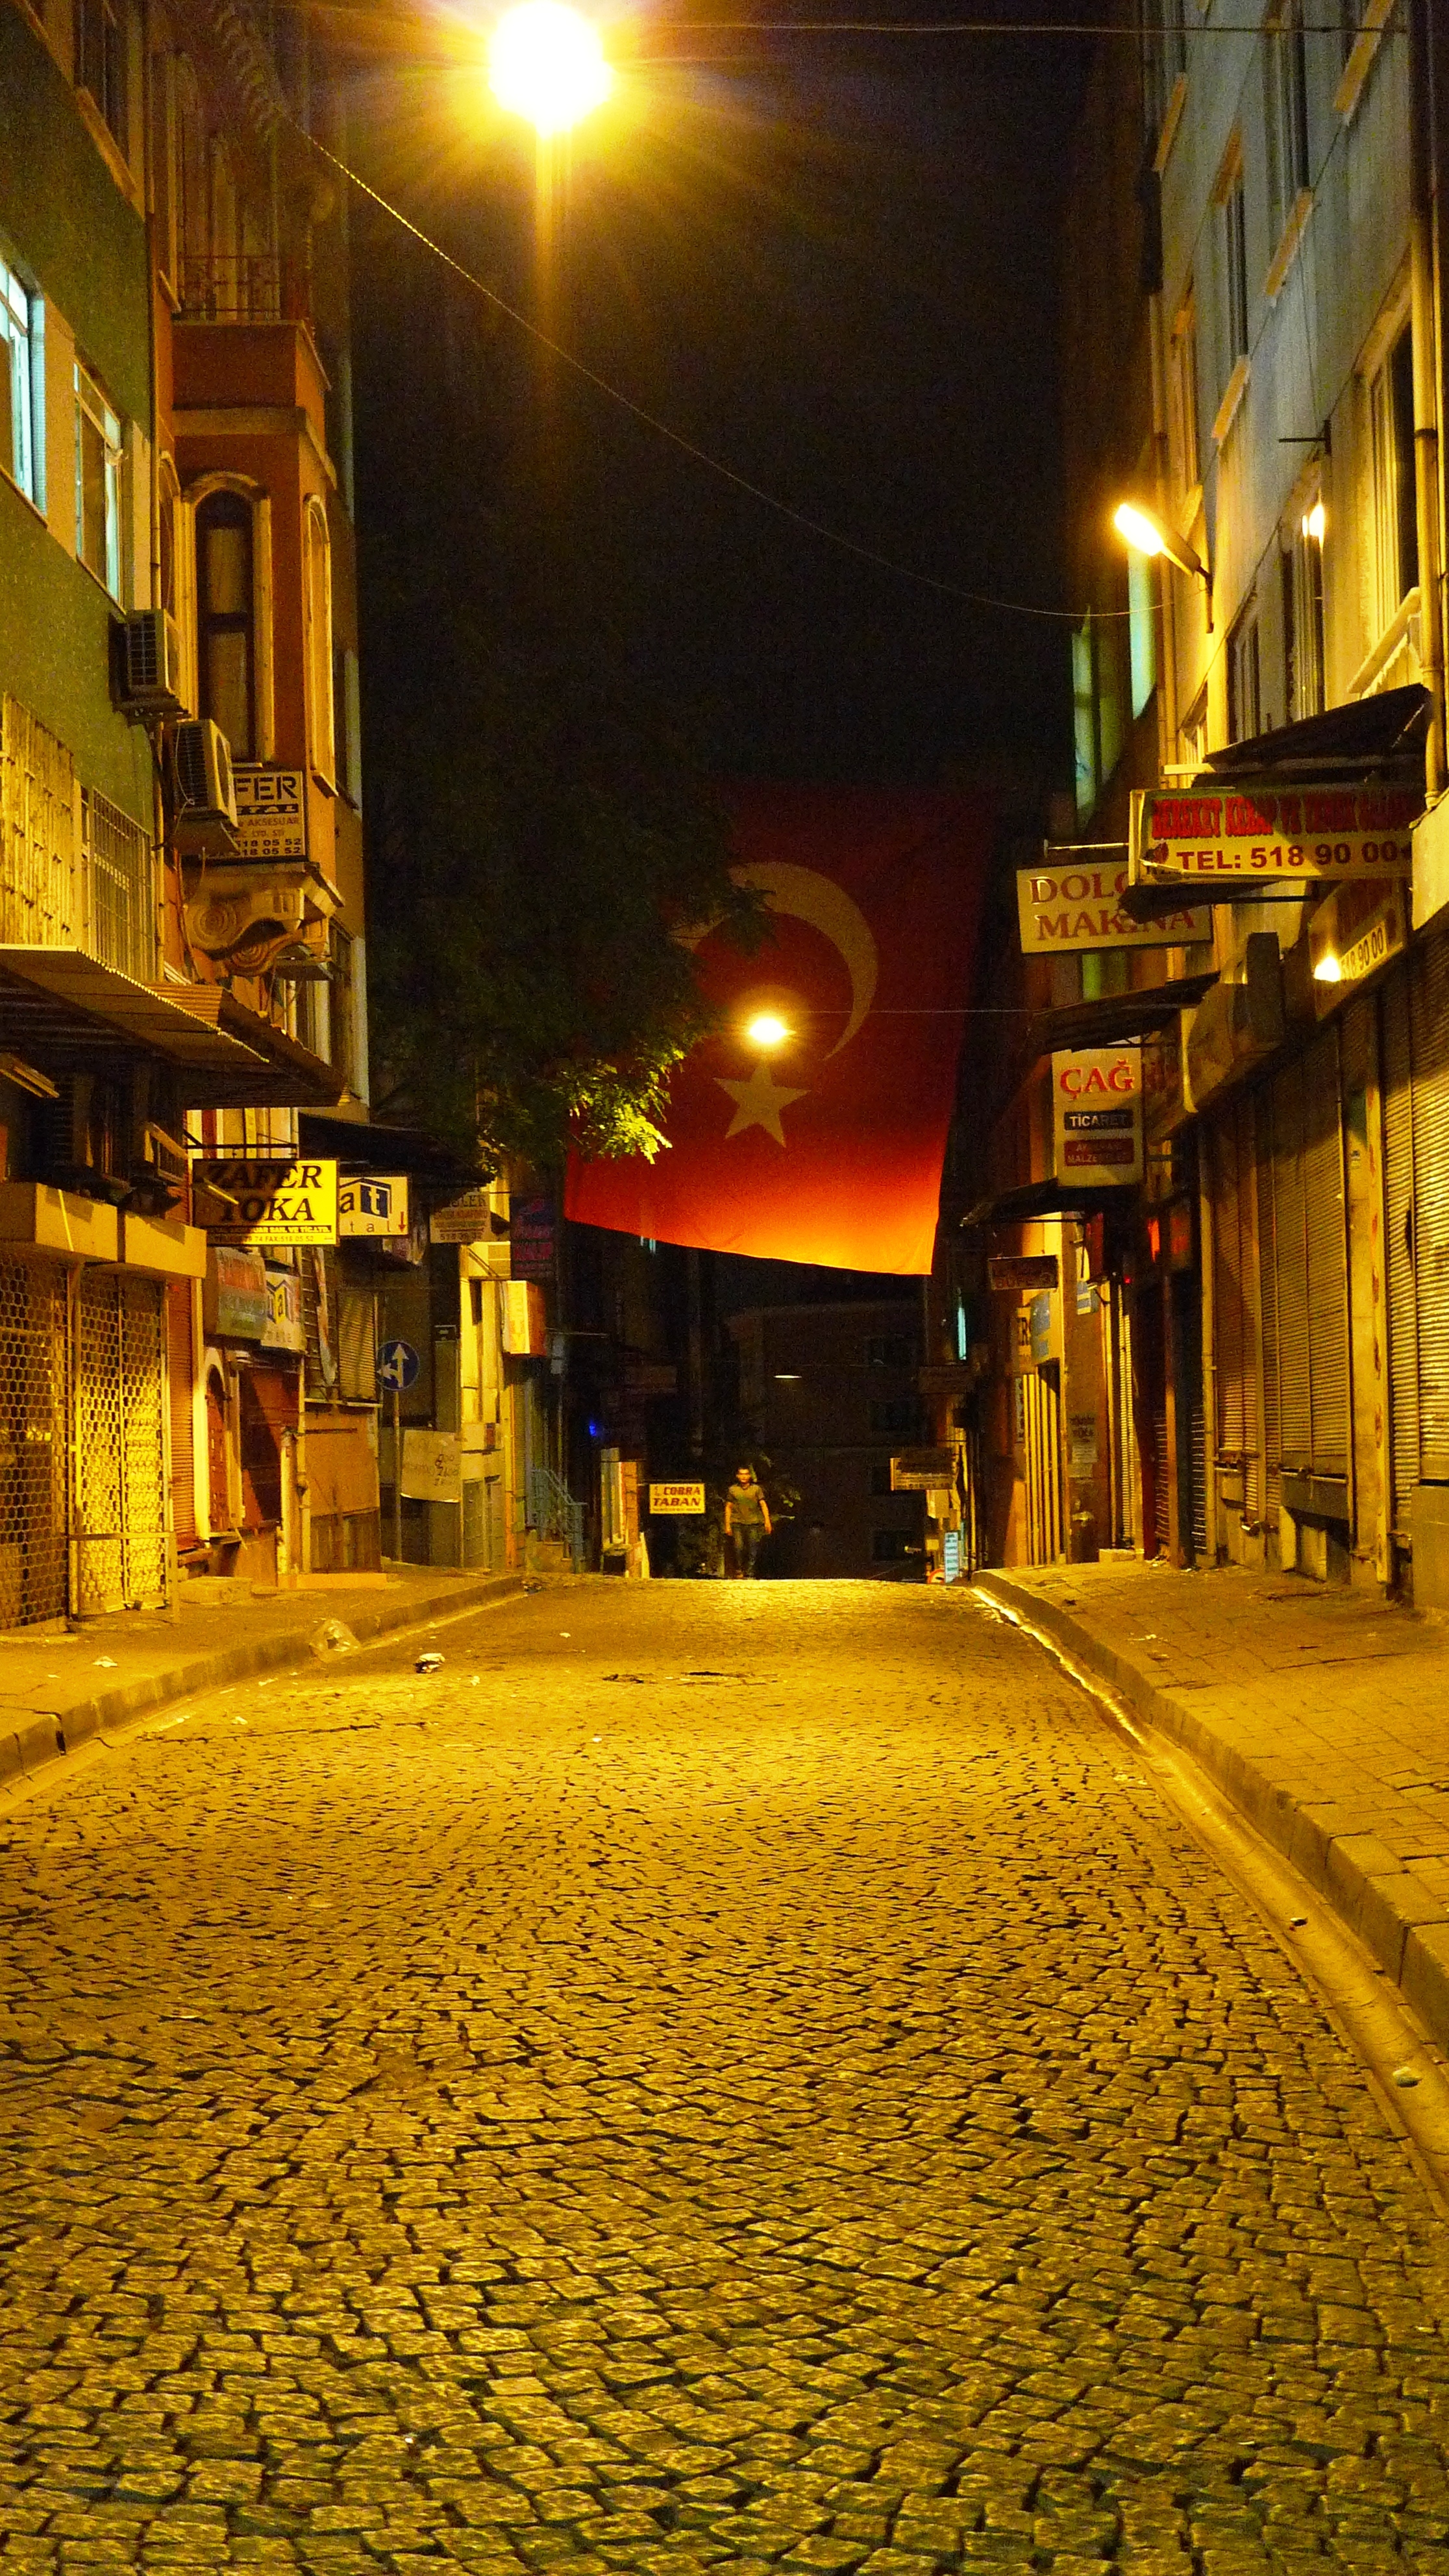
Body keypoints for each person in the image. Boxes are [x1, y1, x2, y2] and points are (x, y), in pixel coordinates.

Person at [724, 1464, 771, 1578]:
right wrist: (727, 1525)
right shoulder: (733, 1490)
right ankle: (739, 1569)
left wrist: (767, 1521)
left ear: (749, 1476)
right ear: (737, 1476)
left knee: (752, 1548)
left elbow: (763, 1505)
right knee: (738, 1547)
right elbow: (728, 1507)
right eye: (741, 1474)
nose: (744, 1477)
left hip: (753, 1522)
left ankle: (750, 1571)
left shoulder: (756, 1489)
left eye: (746, 1474)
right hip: (737, 1522)